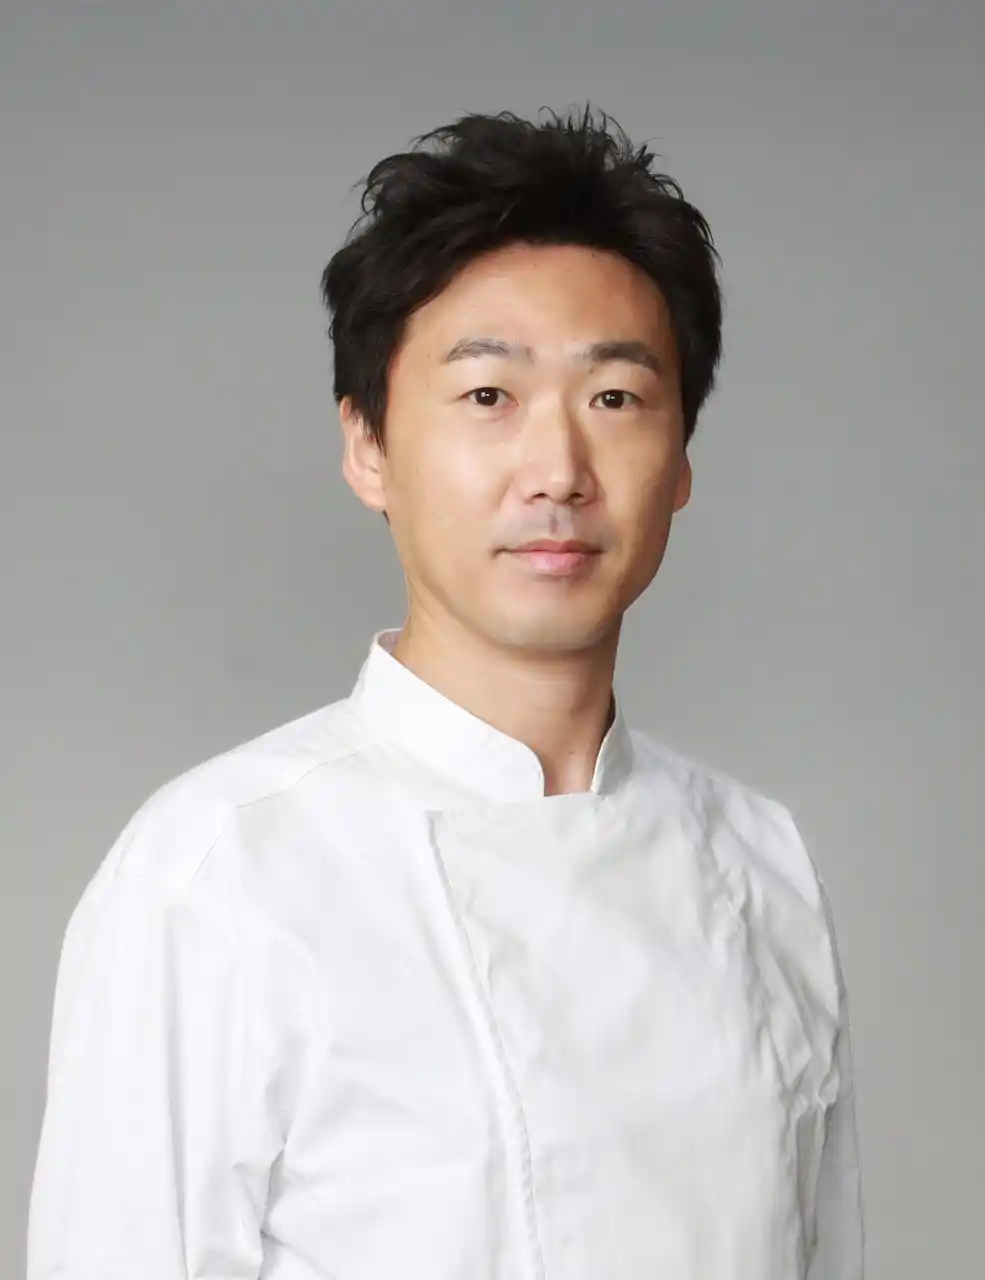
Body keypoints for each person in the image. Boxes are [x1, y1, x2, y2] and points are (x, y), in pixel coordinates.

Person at [27, 105, 864, 1278]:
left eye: (614, 398)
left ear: (680, 459)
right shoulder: (218, 872)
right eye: (486, 396)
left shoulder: (760, 864)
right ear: (367, 446)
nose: (558, 470)